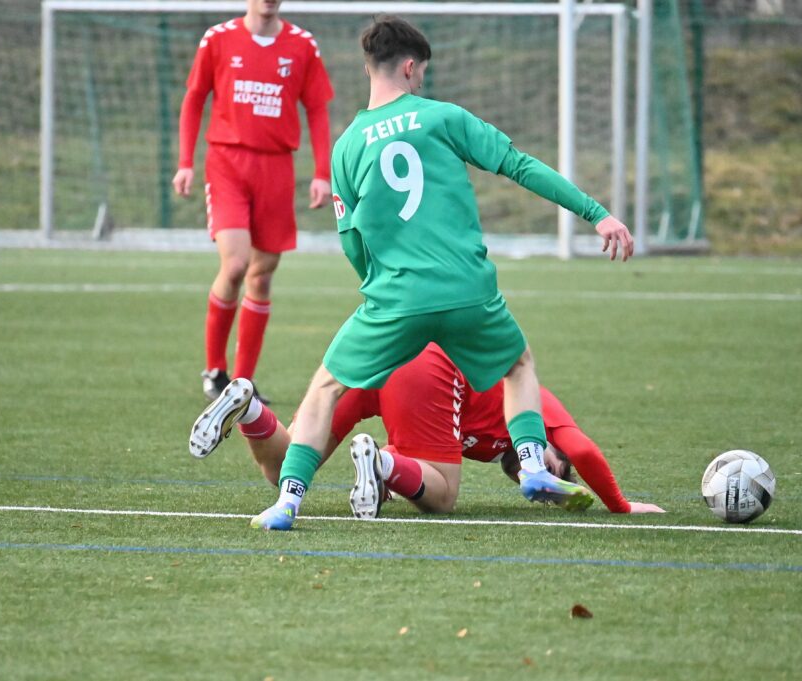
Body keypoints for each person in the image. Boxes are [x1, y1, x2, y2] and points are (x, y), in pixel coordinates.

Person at [190, 15, 634, 531]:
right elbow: (520, 165)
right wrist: (596, 214)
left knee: (325, 390)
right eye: (421, 71)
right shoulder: (443, 117)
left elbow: (352, 240)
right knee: (518, 367)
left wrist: (380, 288)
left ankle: (286, 503)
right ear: (408, 67)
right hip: (468, 291)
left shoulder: (347, 147)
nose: (421, 80)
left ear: (368, 68)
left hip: (395, 299)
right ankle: (533, 465)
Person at [192, 345, 665, 517]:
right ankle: (379, 462)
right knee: (442, 498)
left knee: (284, 467)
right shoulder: (536, 411)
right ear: (551, 449)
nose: (539, 475)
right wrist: (620, 505)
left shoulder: (500, 445)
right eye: (554, 470)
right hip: (422, 364)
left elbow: (417, 428)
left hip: (386, 362)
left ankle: (250, 409)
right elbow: (583, 449)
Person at [172, 0, 334, 401]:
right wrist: (185, 162)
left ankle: (241, 383)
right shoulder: (218, 39)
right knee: (236, 265)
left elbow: (317, 110)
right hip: (227, 163)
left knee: (261, 277)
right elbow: (194, 98)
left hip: (276, 168)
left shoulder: (303, 45)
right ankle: (215, 370)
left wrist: (321, 172)